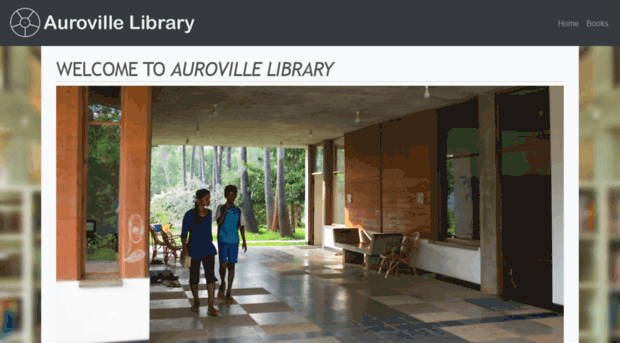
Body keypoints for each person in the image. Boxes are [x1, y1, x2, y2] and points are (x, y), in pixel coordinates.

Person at [181, 189, 220, 315]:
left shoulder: (209, 213)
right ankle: (196, 302)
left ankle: (210, 306)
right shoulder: (189, 215)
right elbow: (183, 235)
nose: (209, 201)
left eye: (209, 198)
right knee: (194, 278)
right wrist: (185, 251)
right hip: (193, 250)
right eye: (206, 198)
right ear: (199, 200)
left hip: (208, 249)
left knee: (211, 278)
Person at [216, 185, 248, 303]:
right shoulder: (220, 208)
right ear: (225, 196)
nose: (232, 197)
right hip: (222, 241)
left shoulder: (238, 210)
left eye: (234, 194)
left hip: (234, 241)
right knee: (222, 265)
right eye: (229, 194)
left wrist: (244, 240)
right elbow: (219, 223)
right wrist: (226, 209)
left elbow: (241, 226)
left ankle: (229, 291)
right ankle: (222, 283)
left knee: (232, 266)